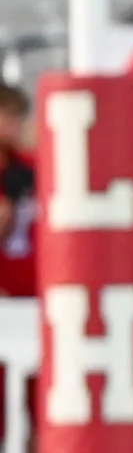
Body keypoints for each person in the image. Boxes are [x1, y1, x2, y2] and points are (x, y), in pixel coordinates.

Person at [0, 85, 38, 299]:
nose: (16, 125)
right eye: (8, 116)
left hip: (31, 289)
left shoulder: (30, 168)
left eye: (19, 116)